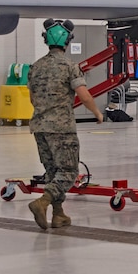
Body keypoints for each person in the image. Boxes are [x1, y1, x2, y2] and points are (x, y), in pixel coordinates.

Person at [26, 18, 103, 229]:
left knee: (53, 172)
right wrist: (97, 113)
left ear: (46, 40)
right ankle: (42, 202)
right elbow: (84, 95)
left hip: (39, 127)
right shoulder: (70, 67)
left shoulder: (35, 67)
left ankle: (58, 214)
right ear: (68, 41)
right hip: (62, 128)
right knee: (69, 172)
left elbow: (32, 97)